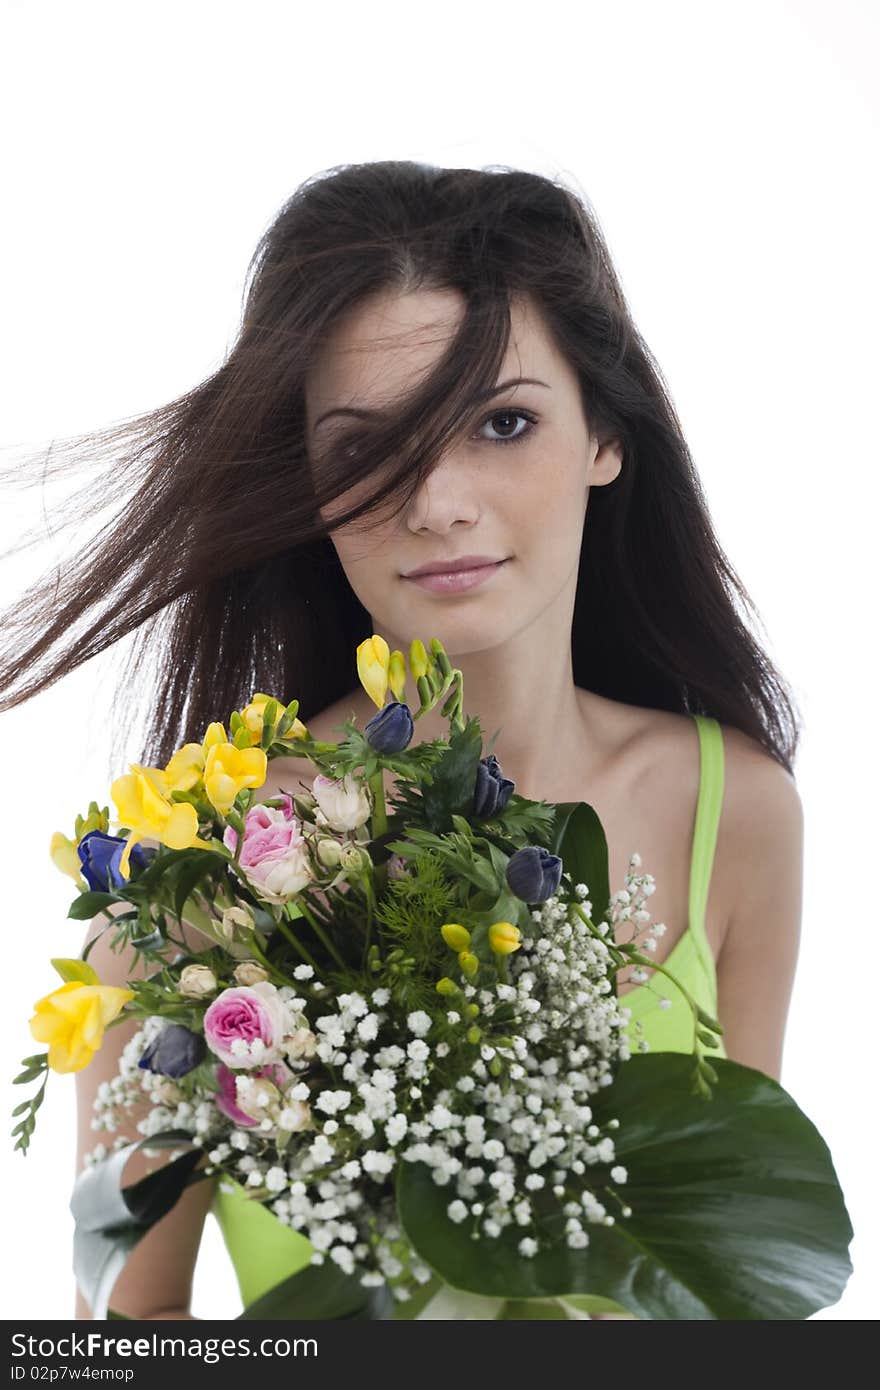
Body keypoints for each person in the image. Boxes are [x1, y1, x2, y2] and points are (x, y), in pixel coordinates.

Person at [0, 160, 803, 1320]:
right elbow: (126, 1330)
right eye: (365, 448)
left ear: (606, 438)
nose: (435, 502)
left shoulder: (735, 809)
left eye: (503, 423)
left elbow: (736, 1272)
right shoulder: (194, 863)